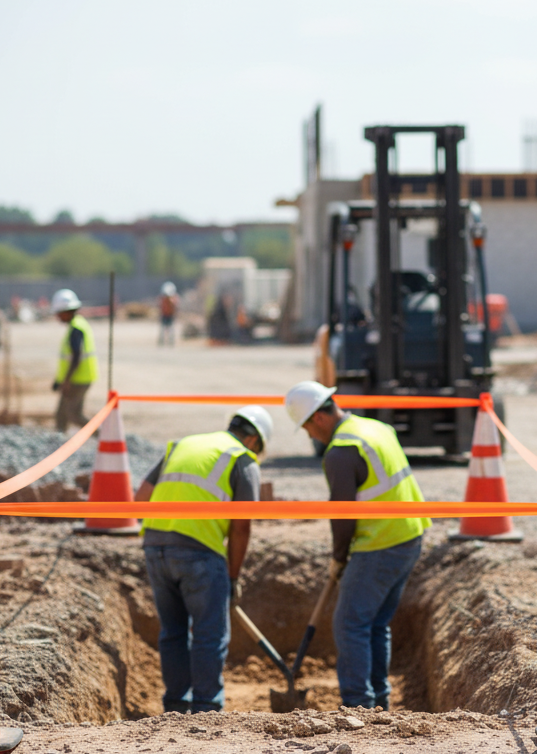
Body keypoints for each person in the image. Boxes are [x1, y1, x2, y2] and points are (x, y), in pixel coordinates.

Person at [284, 381, 429, 709]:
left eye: (306, 427)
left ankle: (357, 705)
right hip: (410, 534)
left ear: (318, 419)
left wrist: (339, 557)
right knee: (375, 622)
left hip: (381, 542)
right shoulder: (375, 428)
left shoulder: (341, 452)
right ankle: (378, 701)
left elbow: (342, 515)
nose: (309, 435)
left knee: (350, 622)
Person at [134, 405, 273, 713]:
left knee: (173, 632)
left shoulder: (182, 445)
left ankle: (176, 705)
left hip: (155, 544)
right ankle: (206, 708)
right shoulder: (242, 459)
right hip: (199, 550)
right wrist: (233, 577)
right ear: (254, 442)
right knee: (209, 634)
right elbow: (241, 528)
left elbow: (141, 497)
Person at [50, 289, 98, 434]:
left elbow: (76, 357)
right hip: (78, 378)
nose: (57, 317)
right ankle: (58, 442)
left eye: (58, 313)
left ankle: (102, 436)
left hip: (78, 379)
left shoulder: (76, 329)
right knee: (62, 414)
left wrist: (66, 381)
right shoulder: (77, 324)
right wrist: (59, 380)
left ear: (66, 311)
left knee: (72, 414)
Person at [158, 281, 179, 346]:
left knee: (171, 329)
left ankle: (171, 341)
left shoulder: (174, 298)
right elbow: (161, 307)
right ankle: (161, 341)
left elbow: (175, 306)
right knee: (162, 329)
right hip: (164, 315)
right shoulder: (163, 298)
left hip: (170, 315)